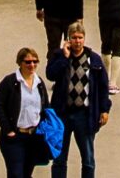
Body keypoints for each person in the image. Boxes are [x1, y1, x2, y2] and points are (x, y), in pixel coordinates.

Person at [46, 24, 112, 178]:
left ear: (84, 39)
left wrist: (104, 110)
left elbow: (103, 87)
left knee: (88, 158)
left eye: (80, 38)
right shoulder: (59, 55)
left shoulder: (93, 59)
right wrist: (64, 57)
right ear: (68, 40)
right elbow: (50, 74)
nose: (77, 41)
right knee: (59, 158)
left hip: (85, 114)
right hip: (63, 114)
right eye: (74, 38)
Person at [0, 47, 53, 178]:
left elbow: (45, 106)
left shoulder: (39, 83)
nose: (32, 65)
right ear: (20, 62)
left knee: (27, 173)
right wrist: (8, 129)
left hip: (33, 137)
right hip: (15, 137)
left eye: (35, 61)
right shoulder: (9, 82)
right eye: (28, 62)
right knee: (15, 174)